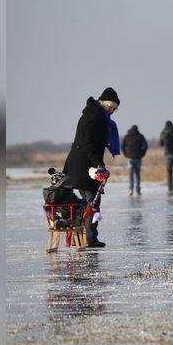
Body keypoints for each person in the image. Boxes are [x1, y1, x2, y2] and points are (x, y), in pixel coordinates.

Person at [62, 87, 120, 248]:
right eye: (111, 107)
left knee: (85, 203)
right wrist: (98, 164)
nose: (112, 111)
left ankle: (80, 238)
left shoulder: (91, 113)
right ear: (104, 104)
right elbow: (89, 144)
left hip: (80, 163)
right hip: (85, 165)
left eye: (115, 109)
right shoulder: (96, 117)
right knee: (92, 202)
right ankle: (89, 238)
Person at [121, 124, 148, 195]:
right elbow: (145, 146)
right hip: (138, 158)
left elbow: (122, 146)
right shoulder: (140, 136)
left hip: (130, 158)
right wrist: (142, 154)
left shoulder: (127, 136)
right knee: (137, 174)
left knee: (130, 174)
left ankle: (131, 189)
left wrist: (126, 154)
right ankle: (138, 189)